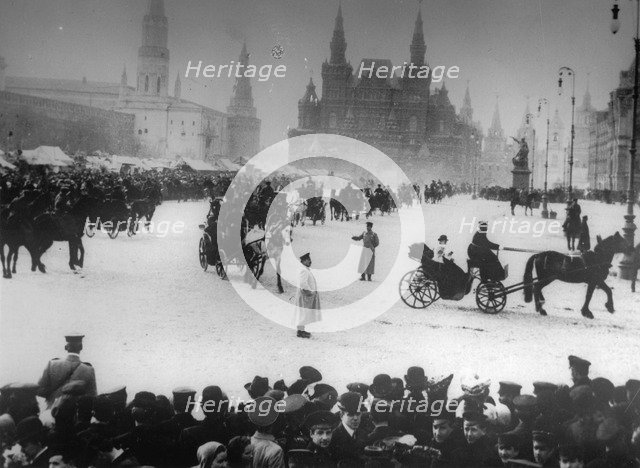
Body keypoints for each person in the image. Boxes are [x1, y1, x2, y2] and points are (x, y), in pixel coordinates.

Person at [37, 334, 97, 408]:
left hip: (53, 411)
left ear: (66, 347)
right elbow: (93, 397)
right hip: (76, 414)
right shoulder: (89, 369)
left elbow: (40, 391)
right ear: (81, 347)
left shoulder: (52, 364)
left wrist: (55, 395)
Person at [294, 253, 321, 339]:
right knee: (304, 313)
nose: (310, 261)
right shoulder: (304, 270)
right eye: (308, 260)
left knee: (304, 313)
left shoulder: (304, 269)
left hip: (305, 295)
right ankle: (300, 331)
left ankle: (301, 330)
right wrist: (310, 292)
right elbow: (303, 283)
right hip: (305, 295)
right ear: (304, 261)